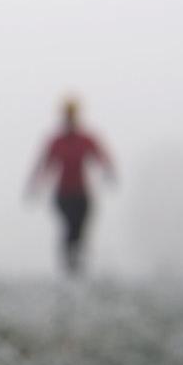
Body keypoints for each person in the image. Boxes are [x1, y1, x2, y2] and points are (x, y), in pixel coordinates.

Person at [26, 96, 116, 275]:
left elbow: (101, 156)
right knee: (69, 226)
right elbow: (44, 164)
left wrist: (108, 172)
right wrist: (34, 185)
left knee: (80, 229)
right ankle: (69, 265)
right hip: (63, 194)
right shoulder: (56, 141)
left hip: (82, 194)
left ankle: (76, 264)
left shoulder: (85, 139)